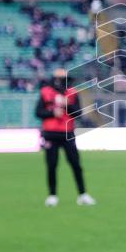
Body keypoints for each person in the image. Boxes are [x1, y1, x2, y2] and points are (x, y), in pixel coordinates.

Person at [36, 68, 94, 207]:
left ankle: (83, 195)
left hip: (67, 133)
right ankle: (52, 196)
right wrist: (51, 113)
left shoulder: (72, 93)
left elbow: (78, 113)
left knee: (76, 165)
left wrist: (67, 105)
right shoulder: (45, 92)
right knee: (52, 165)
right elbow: (38, 112)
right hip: (50, 134)